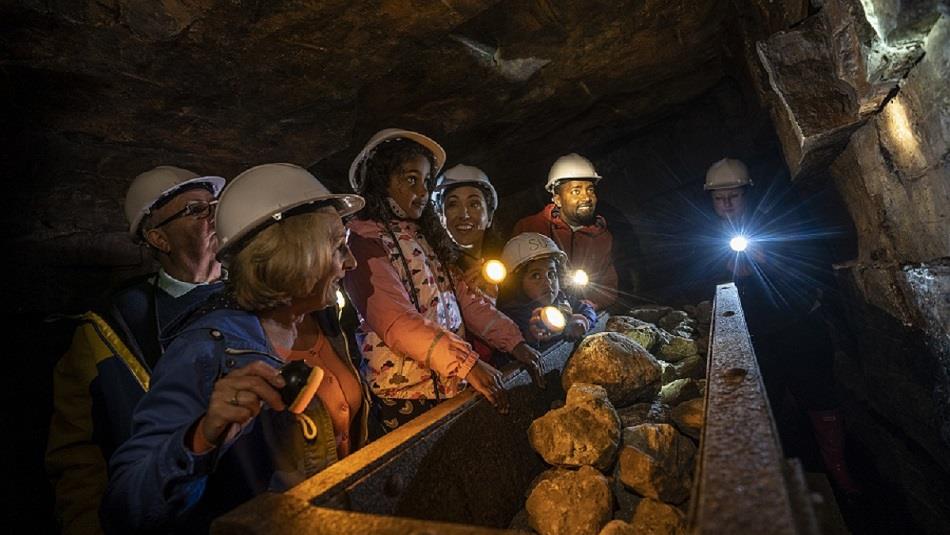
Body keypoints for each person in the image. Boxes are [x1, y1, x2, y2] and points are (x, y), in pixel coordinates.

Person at [101, 163, 370, 533]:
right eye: (338, 246)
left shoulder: (328, 320)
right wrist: (200, 437)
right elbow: (125, 505)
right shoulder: (206, 350)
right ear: (294, 251)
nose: (351, 261)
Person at [45, 165, 226, 535]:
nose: (214, 216)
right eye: (196, 210)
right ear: (159, 239)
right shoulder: (109, 329)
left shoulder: (258, 296)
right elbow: (78, 452)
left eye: (215, 205)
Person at [343, 128, 545, 432]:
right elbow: (396, 320)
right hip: (404, 394)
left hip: (451, 381)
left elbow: (465, 300)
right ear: (381, 178)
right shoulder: (363, 243)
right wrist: (468, 364)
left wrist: (514, 342)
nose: (422, 191)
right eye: (411, 179)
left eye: (426, 181)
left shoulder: (424, 238)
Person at [702, 157, 860, 495]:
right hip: (754, 337)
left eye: (734, 196)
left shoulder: (778, 222)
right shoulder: (707, 237)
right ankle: (776, 476)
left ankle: (838, 465)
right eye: (719, 198)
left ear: (748, 194)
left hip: (797, 325)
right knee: (764, 406)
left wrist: (769, 260)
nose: (727, 204)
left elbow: (811, 265)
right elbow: (704, 284)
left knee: (819, 394)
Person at [512, 153, 618, 310]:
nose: (587, 198)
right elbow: (511, 281)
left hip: (583, 313)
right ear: (557, 198)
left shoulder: (603, 237)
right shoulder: (530, 227)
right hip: (533, 313)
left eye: (590, 190)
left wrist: (587, 307)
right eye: (576, 191)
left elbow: (608, 287)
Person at [496, 233, 596, 349]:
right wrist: (532, 337)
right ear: (517, 284)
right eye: (536, 276)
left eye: (551, 274)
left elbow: (587, 309)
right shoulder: (512, 316)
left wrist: (583, 321)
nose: (548, 282)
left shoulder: (562, 298)